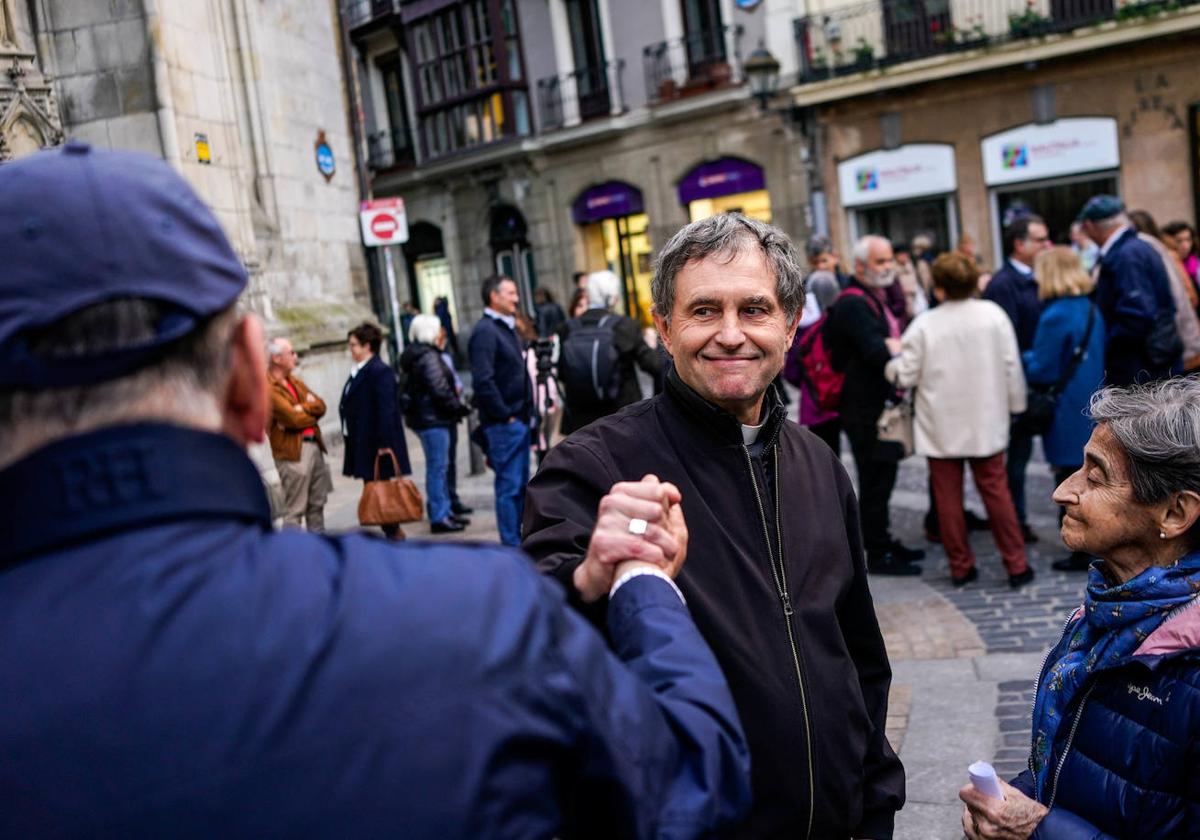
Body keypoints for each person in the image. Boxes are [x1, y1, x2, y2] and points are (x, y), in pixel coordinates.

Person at [0, 144, 753, 838]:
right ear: (247, 385)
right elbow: (690, 777)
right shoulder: (468, 615)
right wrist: (643, 585)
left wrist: (581, 583)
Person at [524, 214, 907, 838]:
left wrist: (875, 798)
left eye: (753, 309)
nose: (731, 335)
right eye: (704, 311)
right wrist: (589, 577)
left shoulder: (818, 464)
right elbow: (535, 632)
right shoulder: (593, 465)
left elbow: (860, 657)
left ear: (789, 325)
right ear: (665, 330)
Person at [959, 378, 1200, 840]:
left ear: (1174, 514)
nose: (1062, 492)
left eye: (1095, 476)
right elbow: (1078, 762)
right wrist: (1017, 799)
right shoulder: (1113, 610)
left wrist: (1038, 829)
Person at [885, 253, 1033, 587]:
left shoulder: (924, 323)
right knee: (997, 492)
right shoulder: (993, 316)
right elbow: (1012, 366)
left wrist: (890, 363)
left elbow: (905, 374)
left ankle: (960, 566)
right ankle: (1016, 563)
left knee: (947, 498)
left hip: (940, 422)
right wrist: (1015, 406)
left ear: (938, 288)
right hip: (986, 417)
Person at [824, 234, 926, 575]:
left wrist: (892, 343)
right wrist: (894, 345)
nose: (888, 267)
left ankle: (882, 541)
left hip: (874, 402)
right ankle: (878, 551)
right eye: (881, 262)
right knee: (875, 480)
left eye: (888, 261)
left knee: (883, 475)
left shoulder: (873, 296)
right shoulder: (854, 302)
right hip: (864, 408)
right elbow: (876, 351)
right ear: (860, 266)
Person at [1023, 247, 1107, 572]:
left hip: (1066, 408)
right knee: (1091, 476)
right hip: (1091, 400)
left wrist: (1023, 357)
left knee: (1069, 480)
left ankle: (1081, 548)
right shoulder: (1089, 308)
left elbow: (1042, 369)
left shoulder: (1055, 314)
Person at [985, 213, 1053, 544]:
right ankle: (1017, 520)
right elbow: (1005, 342)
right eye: (1040, 239)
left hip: (1042, 380)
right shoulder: (1003, 284)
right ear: (1019, 244)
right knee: (1016, 460)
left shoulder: (1041, 277)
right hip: (1018, 384)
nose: (1047, 245)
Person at [1078, 195, 1181, 386]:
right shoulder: (1132, 248)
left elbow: (1137, 315)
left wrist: (1105, 343)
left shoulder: (1127, 254)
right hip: (1148, 362)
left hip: (1142, 368)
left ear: (1091, 225)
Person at [468, 274, 532, 546]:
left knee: (519, 487)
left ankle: (519, 541)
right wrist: (505, 414)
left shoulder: (505, 327)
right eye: (510, 293)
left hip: (517, 421)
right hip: (505, 423)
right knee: (508, 489)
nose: (516, 298)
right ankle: (510, 546)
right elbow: (483, 380)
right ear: (494, 296)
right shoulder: (485, 331)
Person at [560, 270, 663, 434]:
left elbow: (562, 374)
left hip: (582, 423)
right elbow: (654, 365)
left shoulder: (569, 328)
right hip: (621, 418)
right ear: (614, 297)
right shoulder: (624, 326)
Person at [340, 321, 413, 539]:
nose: (350, 349)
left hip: (376, 445)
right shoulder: (361, 371)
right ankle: (391, 533)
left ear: (367, 346)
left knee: (382, 492)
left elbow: (386, 411)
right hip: (364, 442)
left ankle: (394, 534)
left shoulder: (379, 371)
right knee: (376, 490)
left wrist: (383, 445)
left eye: (354, 345)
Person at [400, 314, 469, 534]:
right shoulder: (428, 356)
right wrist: (458, 407)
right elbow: (439, 388)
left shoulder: (420, 354)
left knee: (439, 466)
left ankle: (444, 510)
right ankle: (440, 515)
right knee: (438, 467)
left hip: (428, 418)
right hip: (433, 419)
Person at [266, 337, 332, 532]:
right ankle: (293, 558)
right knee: (295, 511)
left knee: (316, 505)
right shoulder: (268, 387)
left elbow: (320, 406)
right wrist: (305, 411)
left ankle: (318, 554)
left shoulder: (293, 381)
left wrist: (301, 408)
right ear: (277, 358)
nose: (296, 356)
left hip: (314, 445)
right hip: (293, 454)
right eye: (291, 352)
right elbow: (292, 419)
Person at [1129, 209, 1200, 372]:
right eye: (1180, 240)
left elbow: (1186, 299)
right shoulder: (1160, 253)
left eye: (1188, 239)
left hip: (1177, 343)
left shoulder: (1159, 255)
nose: (1185, 245)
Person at [782, 269, 842, 453]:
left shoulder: (803, 325)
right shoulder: (841, 318)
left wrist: (808, 383)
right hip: (842, 395)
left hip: (815, 400)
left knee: (824, 453)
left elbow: (791, 370)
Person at [1162, 219, 1198, 286]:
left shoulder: (1196, 263)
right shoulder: (1166, 266)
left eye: (1188, 240)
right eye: (1179, 241)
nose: (1185, 246)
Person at [432, 295, 459, 360]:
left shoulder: (440, 309)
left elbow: (439, 320)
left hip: (444, 332)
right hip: (447, 331)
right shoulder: (444, 308)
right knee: (451, 347)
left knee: (446, 349)